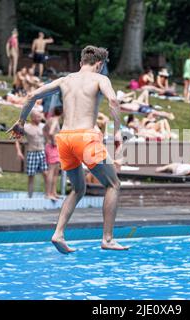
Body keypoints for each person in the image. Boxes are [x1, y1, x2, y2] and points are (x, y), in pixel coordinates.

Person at [9, 45, 127, 252]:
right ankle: (107, 238)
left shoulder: (65, 80)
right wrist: (117, 131)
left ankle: (58, 233)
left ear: (81, 63)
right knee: (113, 185)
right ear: (99, 65)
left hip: (64, 139)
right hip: (85, 137)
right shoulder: (100, 79)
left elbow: (32, 96)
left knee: (79, 189)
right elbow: (114, 101)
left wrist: (20, 122)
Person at [15, 109, 49, 198]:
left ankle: (48, 193)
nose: (40, 118)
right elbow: (17, 140)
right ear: (32, 118)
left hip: (42, 152)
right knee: (31, 175)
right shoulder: (26, 127)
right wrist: (19, 152)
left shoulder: (43, 126)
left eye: (40, 117)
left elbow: (49, 138)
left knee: (46, 174)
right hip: (32, 153)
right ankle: (30, 196)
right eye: (38, 117)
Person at [43, 107, 63, 200]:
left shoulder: (49, 119)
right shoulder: (55, 120)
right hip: (53, 147)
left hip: (49, 146)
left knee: (55, 172)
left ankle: (53, 192)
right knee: (52, 171)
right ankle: (48, 193)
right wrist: (53, 141)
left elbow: (44, 130)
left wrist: (47, 140)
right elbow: (51, 132)